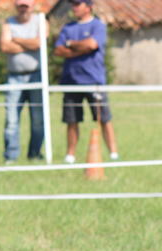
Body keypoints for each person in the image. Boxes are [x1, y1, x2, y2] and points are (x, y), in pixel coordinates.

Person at [54, 0, 118, 163]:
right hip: (71, 81)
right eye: (72, 4)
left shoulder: (98, 26)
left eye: (77, 4)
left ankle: (113, 154)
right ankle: (70, 156)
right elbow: (59, 50)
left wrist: (71, 45)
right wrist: (80, 50)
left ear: (88, 7)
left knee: (103, 118)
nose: (73, 7)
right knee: (71, 120)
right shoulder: (68, 27)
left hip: (93, 81)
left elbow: (92, 44)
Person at [0, 0, 49, 164]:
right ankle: (11, 156)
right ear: (16, 6)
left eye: (26, 6)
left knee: (37, 119)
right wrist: (30, 44)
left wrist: (16, 39)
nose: (24, 9)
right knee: (11, 119)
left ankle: (35, 154)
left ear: (32, 6)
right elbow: (5, 47)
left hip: (36, 76)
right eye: (21, 6)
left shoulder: (41, 21)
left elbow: (39, 43)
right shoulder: (8, 22)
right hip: (14, 77)